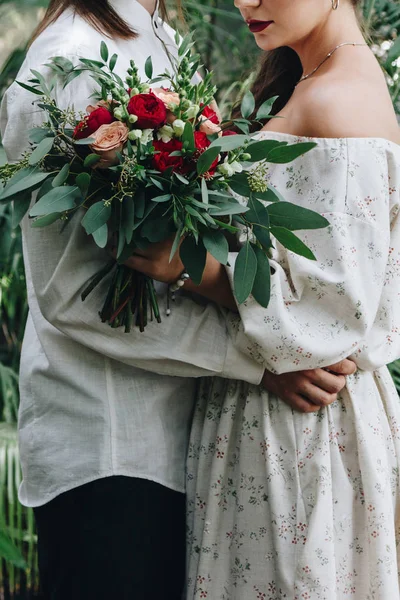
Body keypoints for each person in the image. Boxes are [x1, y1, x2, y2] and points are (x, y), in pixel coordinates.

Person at [0, 0, 357, 598]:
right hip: (112, 453)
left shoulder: (162, 38)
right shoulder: (70, 62)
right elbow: (71, 295)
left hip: (194, 442)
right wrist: (255, 359)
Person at [126, 0, 400, 597]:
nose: (244, 0)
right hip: (274, 421)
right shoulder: (310, 82)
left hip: (302, 427)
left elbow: (333, 316)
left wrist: (192, 270)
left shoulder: (339, 98)